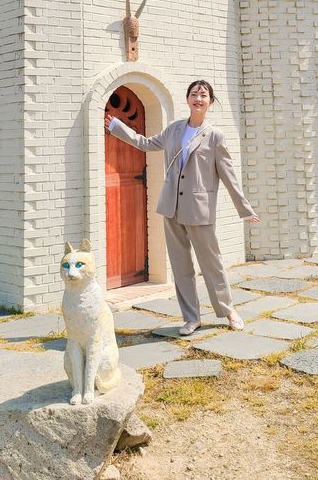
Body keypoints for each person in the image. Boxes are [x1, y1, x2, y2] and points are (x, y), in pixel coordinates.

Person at [105, 79, 260, 335]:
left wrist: (244, 209)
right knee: (181, 267)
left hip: (200, 209)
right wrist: (118, 127)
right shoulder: (174, 130)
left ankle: (228, 309)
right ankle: (191, 317)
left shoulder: (215, 136)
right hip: (172, 207)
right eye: (194, 94)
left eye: (204, 95)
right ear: (187, 99)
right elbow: (146, 144)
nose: (198, 98)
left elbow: (229, 176)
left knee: (212, 265)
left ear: (210, 101)